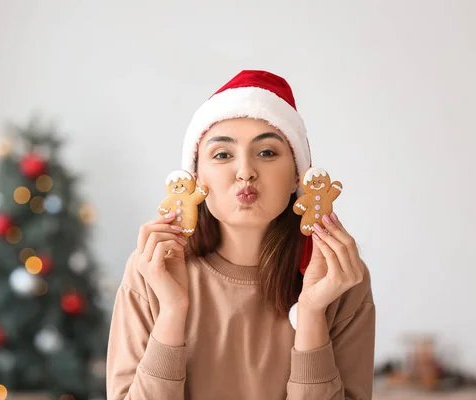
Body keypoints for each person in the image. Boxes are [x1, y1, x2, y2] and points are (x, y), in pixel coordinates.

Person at [106, 70, 375, 399]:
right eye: (222, 155)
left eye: (267, 153)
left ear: (297, 177)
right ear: (195, 179)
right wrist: (172, 309)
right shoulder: (152, 268)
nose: (245, 171)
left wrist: (311, 313)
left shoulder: (341, 276)